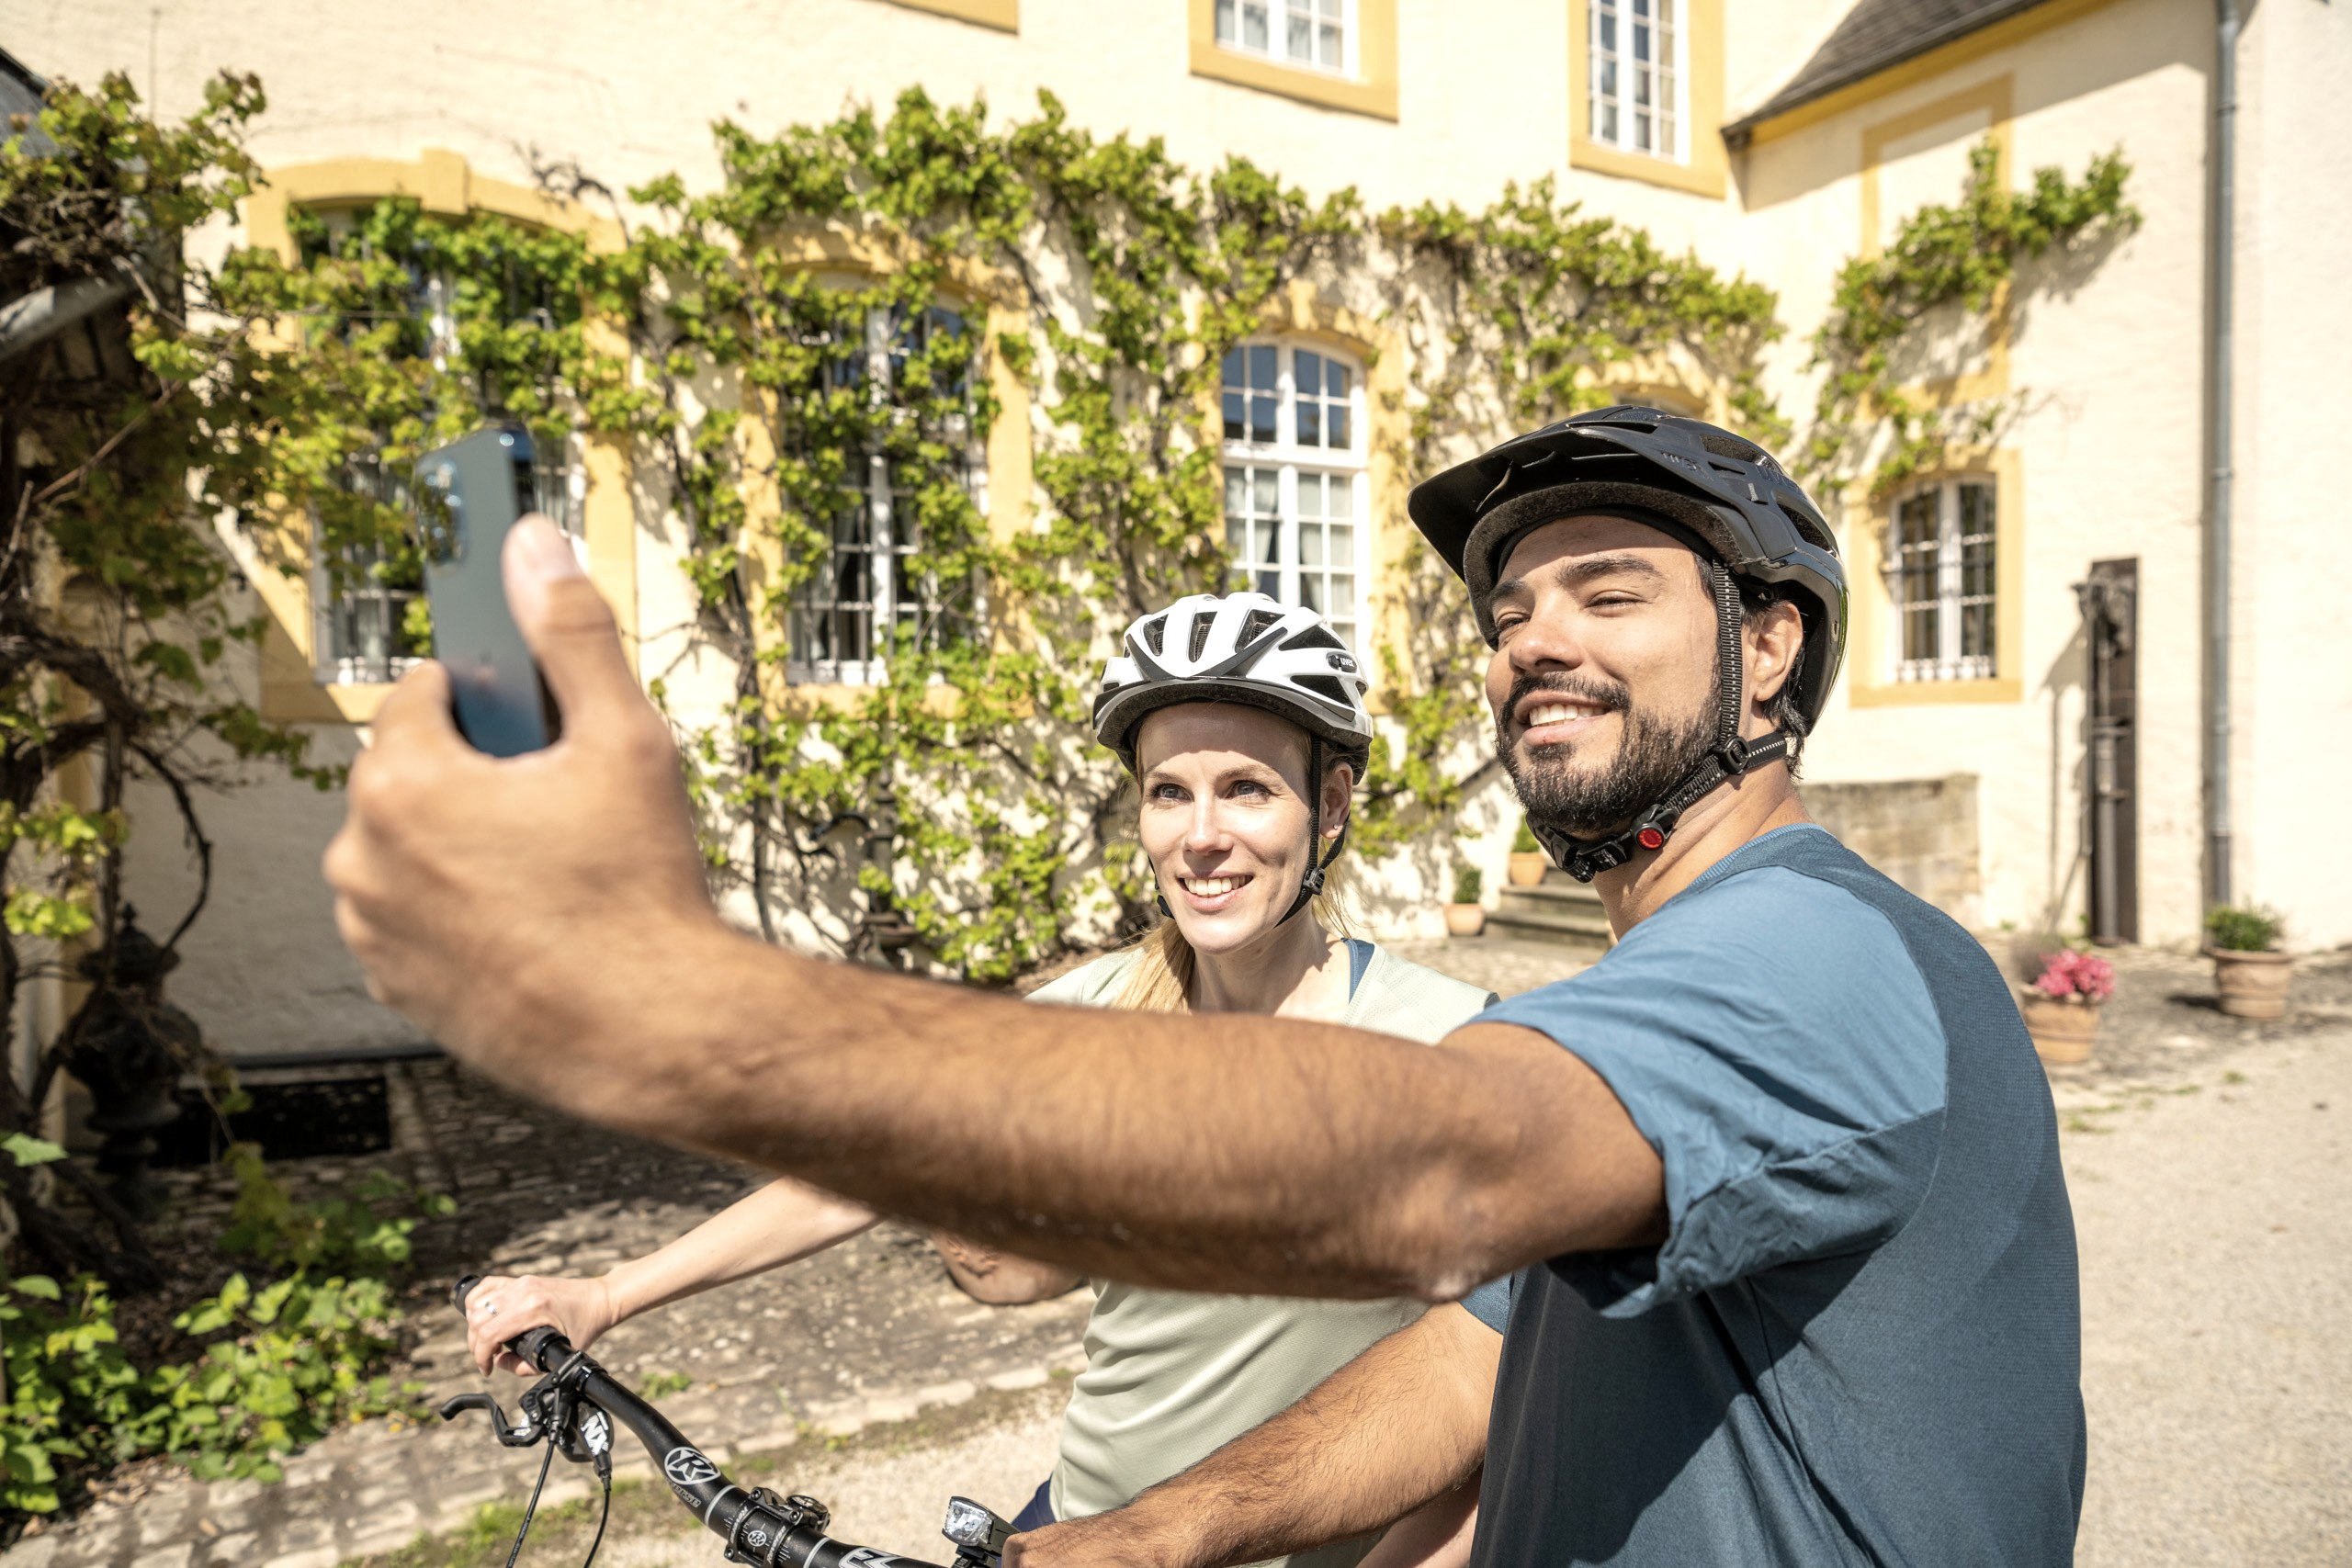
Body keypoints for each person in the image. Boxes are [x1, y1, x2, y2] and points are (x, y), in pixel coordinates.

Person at [327, 407, 2085, 1565]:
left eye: (1606, 592)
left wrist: (680, 1008)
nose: (1533, 639)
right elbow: (1479, 1356)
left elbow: (1437, 1174)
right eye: (1506, 613)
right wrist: (1161, 1530)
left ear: (1770, 645)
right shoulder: (1651, 1001)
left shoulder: (1816, 949)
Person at [455, 592, 1498, 1568]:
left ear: (1329, 805)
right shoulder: (1088, 1016)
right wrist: (605, 1293)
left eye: (1247, 790)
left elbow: (1503, 1399)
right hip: (1071, 1533)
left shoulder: (1451, 1043)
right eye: (1168, 792)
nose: (1200, 838)